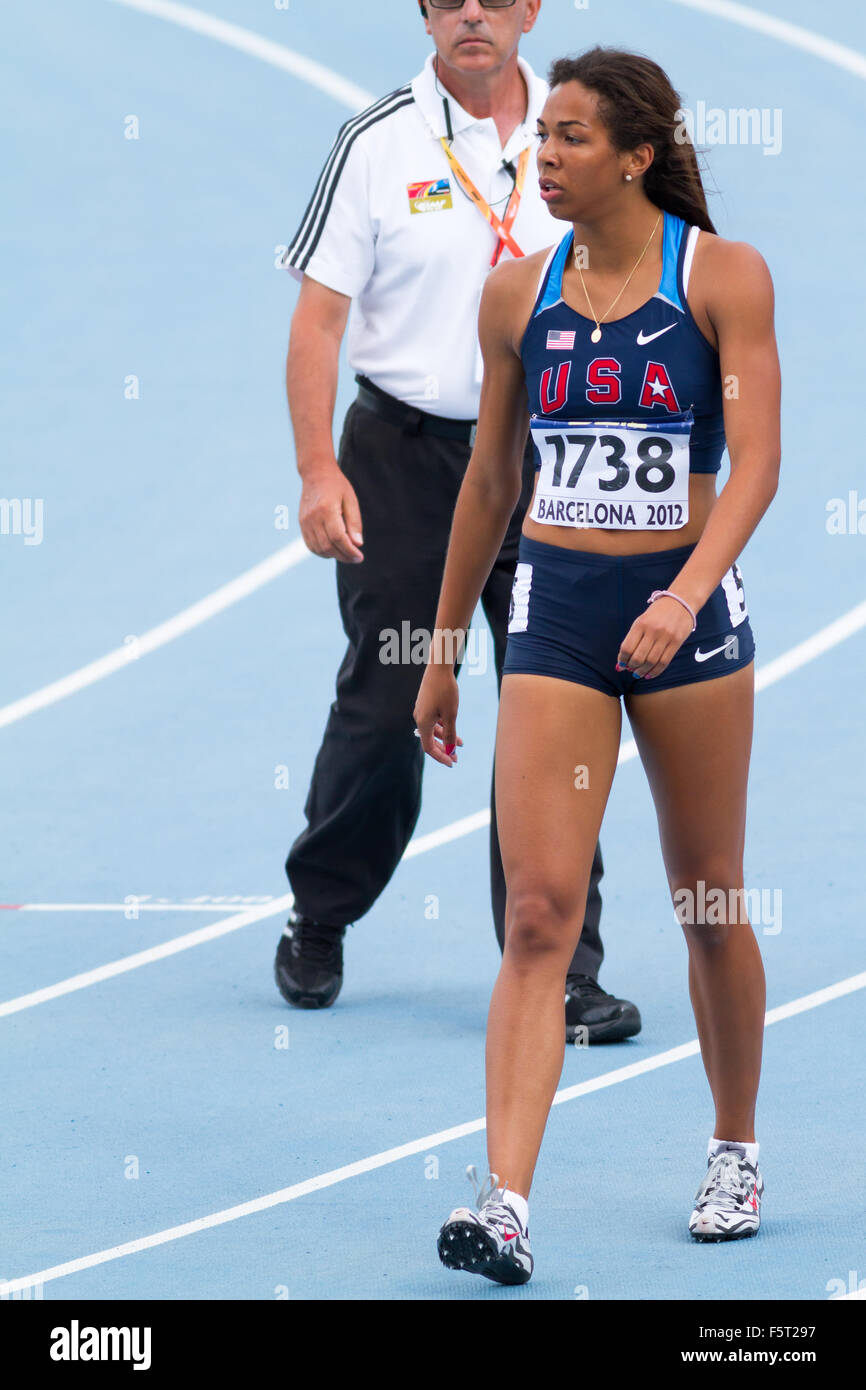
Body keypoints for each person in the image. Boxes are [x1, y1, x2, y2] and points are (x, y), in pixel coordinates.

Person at [415, 45, 781, 1284]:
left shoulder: (720, 276)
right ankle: (505, 1203)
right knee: (536, 912)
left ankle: (732, 1147)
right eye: (542, 138)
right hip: (559, 616)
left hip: (685, 619)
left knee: (707, 897)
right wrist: (442, 651)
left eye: (569, 137)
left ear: (636, 155)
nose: (544, 157)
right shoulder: (514, 297)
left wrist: (682, 595)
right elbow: (489, 482)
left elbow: (754, 465)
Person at [275, 1, 640, 1043]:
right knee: (389, 697)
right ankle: (321, 912)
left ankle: (561, 966)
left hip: (551, 463)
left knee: (555, 708)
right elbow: (319, 320)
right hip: (404, 462)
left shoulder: (580, 130)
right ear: (425, 15)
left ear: (530, 10)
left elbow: (646, 277)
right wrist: (316, 470)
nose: (471, 12)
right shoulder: (375, 142)